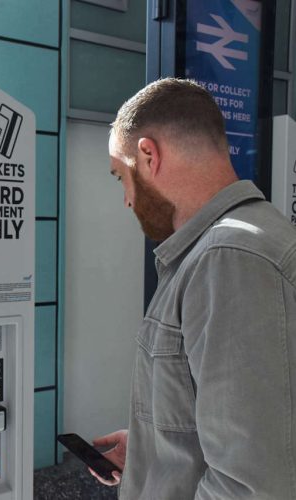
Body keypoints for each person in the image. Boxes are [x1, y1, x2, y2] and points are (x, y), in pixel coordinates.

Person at [92, 78, 296, 499]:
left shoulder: (231, 258)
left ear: (148, 155)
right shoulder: (239, 244)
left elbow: (249, 487)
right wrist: (154, 448)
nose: (127, 200)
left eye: (120, 177)